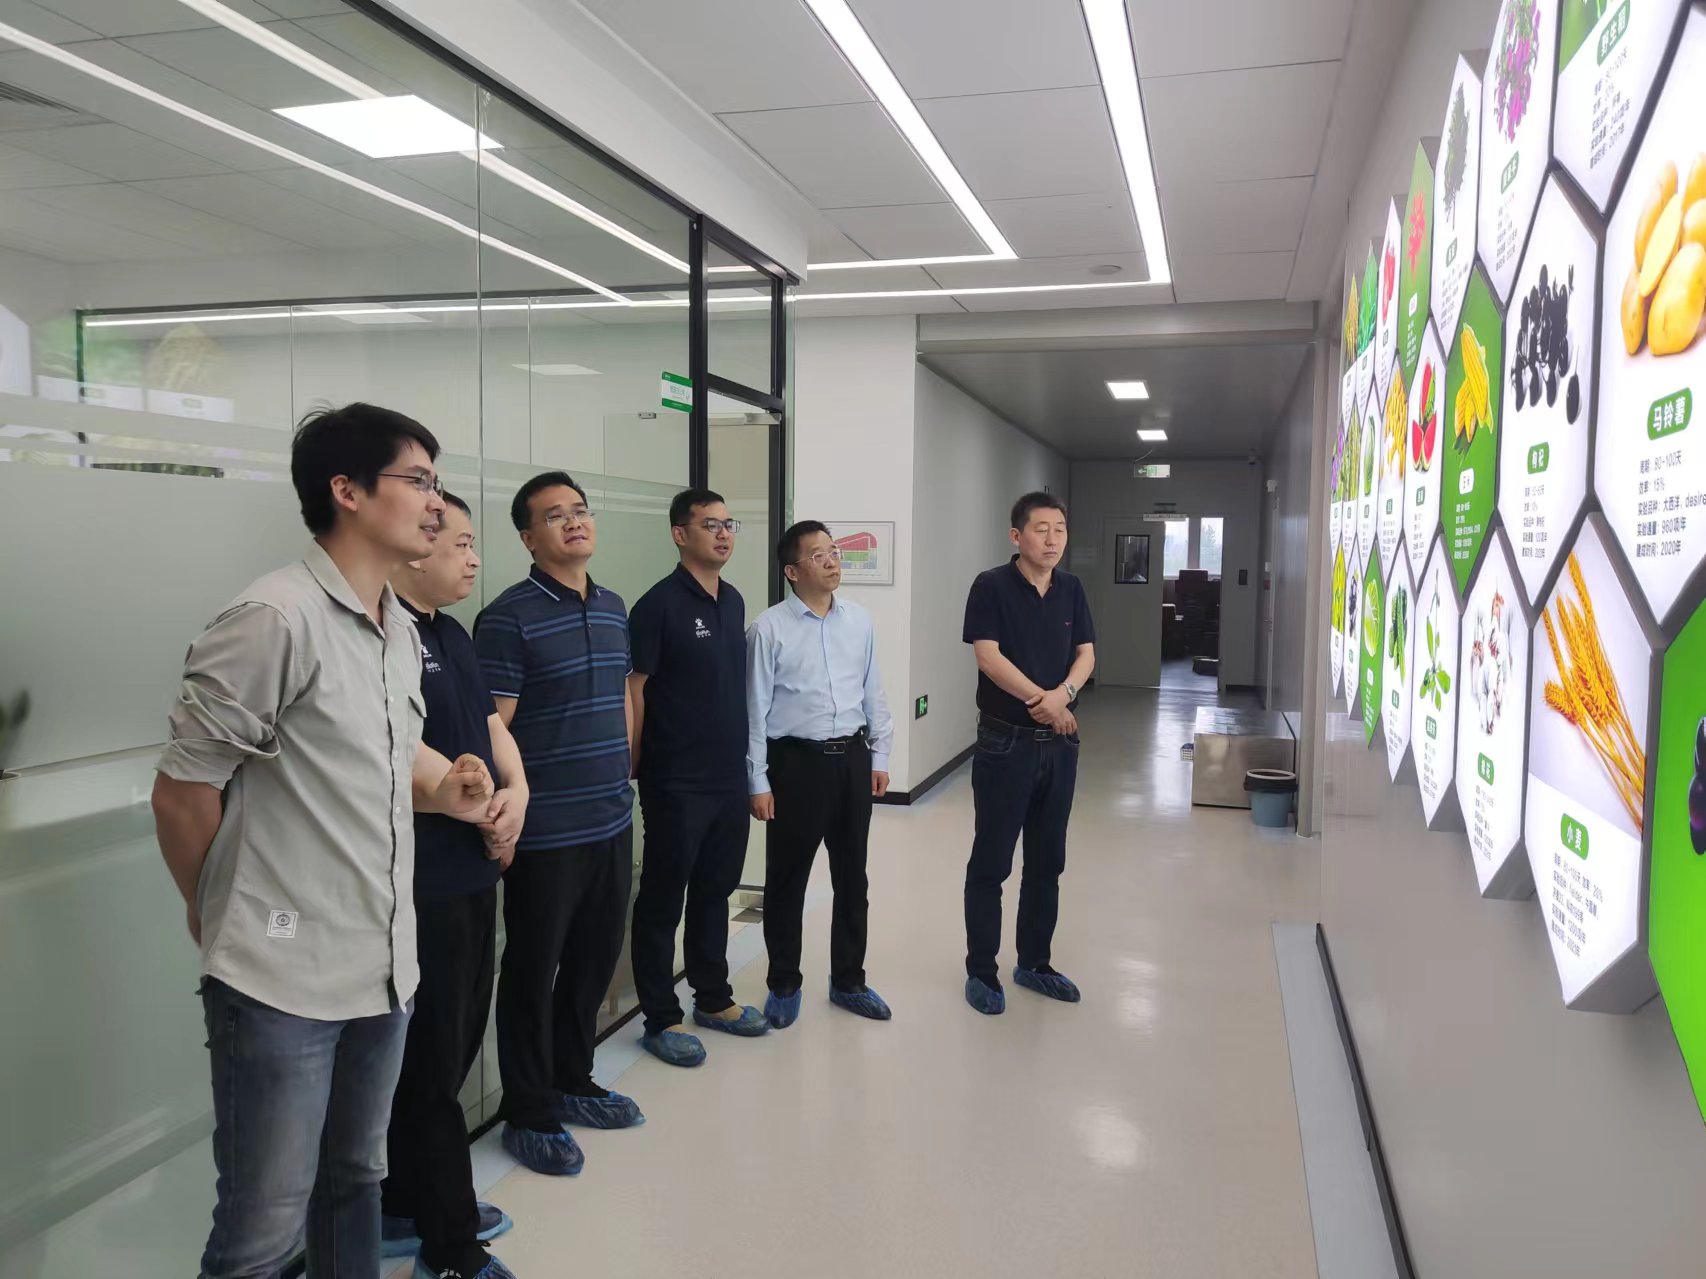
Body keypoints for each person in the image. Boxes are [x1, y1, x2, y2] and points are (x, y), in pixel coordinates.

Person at [152, 403, 496, 1279]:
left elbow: (388, 749)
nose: (436, 501)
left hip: (382, 964)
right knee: (264, 1229)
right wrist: (217, 910)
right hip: (280, 974)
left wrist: (444, 785)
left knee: (354, 1183)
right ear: (346, 490)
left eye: (436, 482)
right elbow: (184, 792)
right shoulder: (274, 617)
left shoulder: (397, 626)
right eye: (417, 480)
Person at [474, 472, 645, 1177]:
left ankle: (575, 1077)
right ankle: (529, 1108)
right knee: (531, 969)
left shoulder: (612, 605)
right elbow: (490, 732)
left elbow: (621, 698)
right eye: (554, 516)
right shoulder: (507, 618)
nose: (574, 522)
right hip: (545, 832)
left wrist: (626, 774)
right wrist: (503, 820)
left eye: (580, 510)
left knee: (593, 961)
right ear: (527, 538)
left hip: (610, 816)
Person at [380, 491, 526, 1279]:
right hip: (422, 880)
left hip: (475, 868)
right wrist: (478, 807)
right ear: (415, 548)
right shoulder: (384, 637)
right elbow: (397, 757)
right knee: (433, 1064)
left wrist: (516, 796)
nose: (473, 558)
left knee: (458, 1042)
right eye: (460, 544)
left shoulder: (452, 633)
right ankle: (452, 1243)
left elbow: (490, 729)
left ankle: (406, 1197)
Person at [627, 488, 768, 1066]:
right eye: (711, 524)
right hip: (675, 779)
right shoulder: (657, 605)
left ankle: (713, 997)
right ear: (679, 534)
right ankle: (660, 1017)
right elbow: (635, 691)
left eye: (729, 524)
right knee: (663, 900)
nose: (724, 533)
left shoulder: (732, 601)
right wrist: (634, 763)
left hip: (726, 777)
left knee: (715, 892)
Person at [746, 521, 895, 1028]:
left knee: (853, 877)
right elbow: (754, 712)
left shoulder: (860, 621)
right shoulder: (768, 629)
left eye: (834, 551)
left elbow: (873, 692)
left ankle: (849, 980)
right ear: (792, 571)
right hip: (796, 765)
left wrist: (879, 757)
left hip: (852, 759)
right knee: (787, 880)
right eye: (818, 555)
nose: (832, 561)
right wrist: (758, 781)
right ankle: (784, 983)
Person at [960, 492, 1096, 1016]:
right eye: (1042, 529)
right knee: (992, 862)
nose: (1053, 538)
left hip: (1059, 747)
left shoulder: (1071, 589)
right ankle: (982, 971)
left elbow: (1086, 654)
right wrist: (1044, 702)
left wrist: (1064, 695)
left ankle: (1034, 963)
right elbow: (988, 657)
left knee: (1047, 861)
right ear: (1017, 536)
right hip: (1005, 744)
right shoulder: (991, 585)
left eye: (1060, 528)